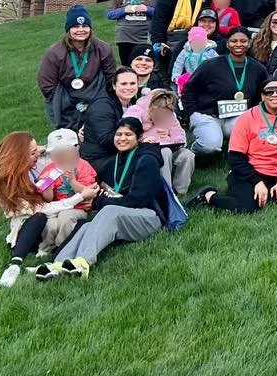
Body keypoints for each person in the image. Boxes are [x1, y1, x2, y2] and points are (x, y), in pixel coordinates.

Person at [36, 117, 174, 281]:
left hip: (150, 217)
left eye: (128, 134)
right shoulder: (114, 162)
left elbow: (136, 202)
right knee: (88, 225)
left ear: (139, 137)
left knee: (109, 211)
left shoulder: (147, 160)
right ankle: (58, 264)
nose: (122, 138)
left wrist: (98, 201)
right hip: (125, 214)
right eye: (119, 134)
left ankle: (83, 262)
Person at [0, 132, 92, 286]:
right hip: (29, 232)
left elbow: (58, 151)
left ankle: (57, 260)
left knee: (80, 224)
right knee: (40, 217)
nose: (37, 155)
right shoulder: (7, 183)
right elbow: (42, 209)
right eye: (32, 153)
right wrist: (80, 197)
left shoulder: (37, 164)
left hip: (52, 220)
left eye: (37, 150)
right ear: (19, 157)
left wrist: (47, 148)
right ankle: (15, 265)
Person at [193, 77, 277, 213]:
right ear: (262, 96)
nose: (275, 95)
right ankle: (208, 195)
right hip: (249, 173)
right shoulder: (247, 118)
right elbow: (235, 157)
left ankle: (272, 189)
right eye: (269, 91)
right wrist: (257, 181)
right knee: (246, 208)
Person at [182, 28, 266, 156]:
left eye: (243, 41)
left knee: (255, 136)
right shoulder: (210, 65)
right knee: (210, 146)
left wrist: (254, 113)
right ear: (227, 44)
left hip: (238, 116)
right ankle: (190, 154)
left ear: (249, 43)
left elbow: (263, 93)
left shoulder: (258, 69)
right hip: (208, 114)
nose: (238, 44)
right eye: (234, 41)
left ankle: (233, 153)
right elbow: (189, 89)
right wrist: (192, 113)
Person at [38, 5, 116, 129]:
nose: (81, 30)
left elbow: (111, 79)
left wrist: (100, 103)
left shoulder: (103, 49)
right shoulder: (54, 53)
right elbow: (47, 85)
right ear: (68, 29)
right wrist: (68, 103)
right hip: (65, 103)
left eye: (84, 26)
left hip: (96, 100)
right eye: (75, 26)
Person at [31, 129, 99, 260]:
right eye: (56, 154)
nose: (61, 157)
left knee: (65, 217)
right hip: (58, 206)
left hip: (78, 208)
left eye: (65, 153)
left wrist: (72, 181)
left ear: (76, 149)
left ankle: (63, 247)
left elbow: (88, 193)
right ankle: (45, 248)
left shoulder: (83, 166)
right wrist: (47, 187)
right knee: (50, 224)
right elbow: (49, 199)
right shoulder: (49, 170)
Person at [149, 0, 212, 81]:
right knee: (166, 73)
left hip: (191, 37)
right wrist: (158, 41)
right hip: (169, 37)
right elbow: (159, 16)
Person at [82, 67, 149, 177]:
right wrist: (139, 140)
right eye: (123, 84)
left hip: (120, 152)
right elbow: (106, 139)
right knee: (145, 160)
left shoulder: (132, 102)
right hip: (100, 159)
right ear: (114, 86)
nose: (128, 88)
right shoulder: (102, 106)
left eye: (132, 83)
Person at [128, 88, 194, 196]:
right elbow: (129, 134)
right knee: (165, 152)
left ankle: (181, 192)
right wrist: (142, 141)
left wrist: (175, 140)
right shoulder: (138, 114)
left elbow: (179, 133)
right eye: (158, 115)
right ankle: (166, 192)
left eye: (166, 115)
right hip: (147, 152)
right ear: (151, 109)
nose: (162, 118)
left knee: (187, 155)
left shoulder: (171, 117)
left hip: (170, 147)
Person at [106, 0, 158, 65]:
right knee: (128, 68)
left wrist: (147, 9)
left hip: (145, 38)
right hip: (125, 38)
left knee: (143, 67)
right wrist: (125, 10)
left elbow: (161, 14)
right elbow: (109, 14)